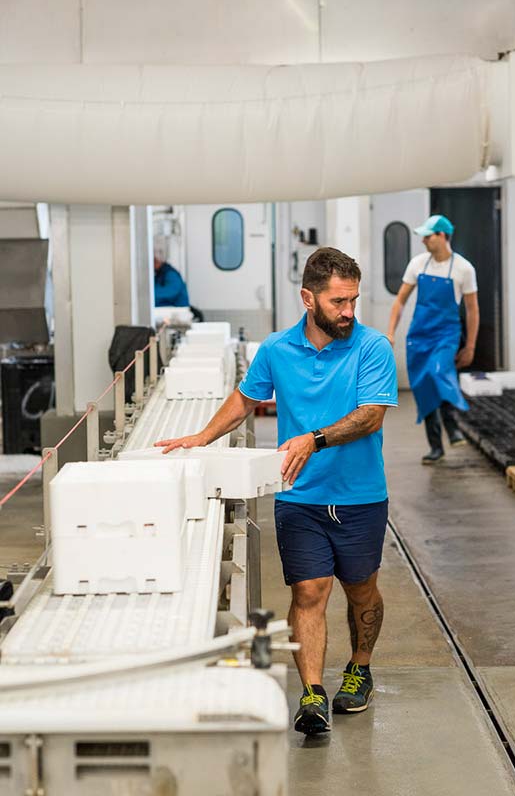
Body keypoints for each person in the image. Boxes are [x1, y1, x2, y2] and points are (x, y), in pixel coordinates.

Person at [155, 247, 398, 736]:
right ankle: (312, 693)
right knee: (309, 591)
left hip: (360, 495)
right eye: (337, 302)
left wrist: (314, 438)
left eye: (353, 300)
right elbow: (247, 397)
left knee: (361, 590)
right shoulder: (276, 350)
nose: (348, 311)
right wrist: (202, 436)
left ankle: (360, 667)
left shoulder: (373, 348)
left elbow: (372, 414)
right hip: (298, 496)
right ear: (308, 298)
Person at [386, 214, 480, 464]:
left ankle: (452, 425)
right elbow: (400, 300)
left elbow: (472, 309)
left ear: (442, 236)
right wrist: (391, 332)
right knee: (423, 386)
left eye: (428, 236)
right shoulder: (418, 264)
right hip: (419, 335)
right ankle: (436, 446)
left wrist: (470, 345)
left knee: (439, 371)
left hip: (446, 334)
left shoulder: (463, 268)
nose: (424, 241)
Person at [154, 243, 189, 308]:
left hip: (177, 309)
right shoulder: (159, 275)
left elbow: (170, 292)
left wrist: (147, 295)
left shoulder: (171, 274)